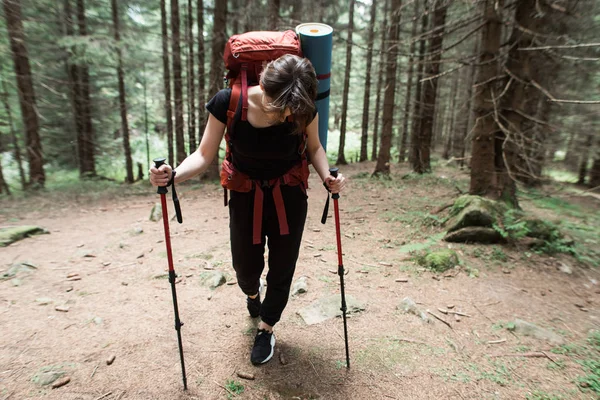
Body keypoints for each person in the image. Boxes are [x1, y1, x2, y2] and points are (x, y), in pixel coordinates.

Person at [150, 54, 346, 366]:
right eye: (277, 106)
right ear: (264, 85)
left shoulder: (301, 107)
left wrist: (328, 177)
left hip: (289, 196)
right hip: (245, 195)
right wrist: (174, 175)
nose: (284, 115)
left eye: (290, 111)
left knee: (283, 266)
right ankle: (252, 294)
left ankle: (267, 326)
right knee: (245, 266)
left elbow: (315, 148)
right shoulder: (228, 102)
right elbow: (203, 154)